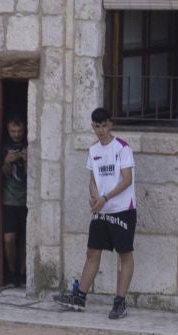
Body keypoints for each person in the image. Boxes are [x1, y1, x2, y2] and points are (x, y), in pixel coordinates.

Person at [55, 107, 136, 319]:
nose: (100, 130)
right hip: (101, 209)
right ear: (93, 127)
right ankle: (80, 298)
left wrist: (106, 198)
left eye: (104, 125)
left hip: (122, 210)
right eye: (97, 126)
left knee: (124, 255)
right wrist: (94, 197)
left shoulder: (122, 148)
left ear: (110, 124)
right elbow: (93, 179)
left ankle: (120, 302)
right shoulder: (93, 150)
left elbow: (127, 179)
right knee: (92, 252)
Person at [2, 118, 28, 288]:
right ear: (8, 130)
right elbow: (3, 174)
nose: (16, 135)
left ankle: (23, 274)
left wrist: (26, 159)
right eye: (13, 131)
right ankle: (11, 273)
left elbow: (30, 175)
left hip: (27, 200)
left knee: (26, 239)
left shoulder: (29, 145)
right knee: (9, 238)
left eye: (19, 131)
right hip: (9, 200)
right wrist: (7, 161)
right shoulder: (3, 148)